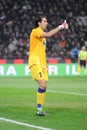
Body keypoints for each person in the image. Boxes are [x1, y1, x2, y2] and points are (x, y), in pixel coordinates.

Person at [28, 16, 68, 116]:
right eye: (45, 21)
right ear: (39, 23)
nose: (47, 23)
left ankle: (40, 109)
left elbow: (42, 50)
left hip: (42, 63)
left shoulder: (42, 37)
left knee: (44, 87)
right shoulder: (36, 31)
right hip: (35, 61)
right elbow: (49, 34)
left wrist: (45, 65)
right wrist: (61, 27)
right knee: (43, 85)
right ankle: (39, 109)